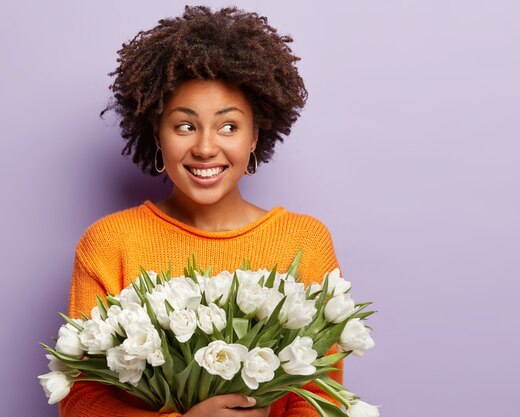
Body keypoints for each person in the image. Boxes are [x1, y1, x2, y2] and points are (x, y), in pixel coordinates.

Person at [59, 6, 343, 417]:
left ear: (254, 136)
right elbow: (79, 400)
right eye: (185, 126)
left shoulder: (305, 242)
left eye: (228, 126)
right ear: (157, 133)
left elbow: (323, 396)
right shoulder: (109, 243)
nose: (206, 147)